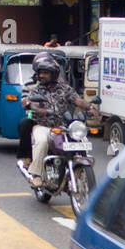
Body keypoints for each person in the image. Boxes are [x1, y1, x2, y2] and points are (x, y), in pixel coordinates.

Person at [21, 52, 96, 187]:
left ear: (54, 74)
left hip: (62, 127)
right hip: (42, 126)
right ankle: (36, 174)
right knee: (43, 142)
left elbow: (77, 100)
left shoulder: (64, 89)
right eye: (40, 73)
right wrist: (41, 111)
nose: (41, 75)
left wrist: (90, 108)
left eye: (45, 73)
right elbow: (32, 104)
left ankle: (80, 164)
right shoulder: (36, 90)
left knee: (81, 139)